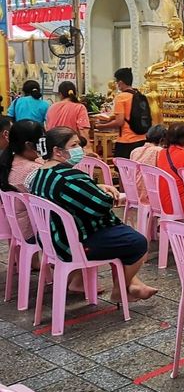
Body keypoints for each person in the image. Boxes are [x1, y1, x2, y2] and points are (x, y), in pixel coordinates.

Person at [28, 127, 157, 301]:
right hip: (73, 242)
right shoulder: (68, 177)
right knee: (137, 242)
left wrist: (97, 188)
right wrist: (108, 196)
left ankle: (131, 284)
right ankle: (121, 289)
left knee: (120, 234)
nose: (78, 149)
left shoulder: (41, 173)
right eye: (73, 145)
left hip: (51, 238)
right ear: (57, 151)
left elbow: (77, 195)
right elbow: (101, 205)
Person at [0, 120, 44, 243]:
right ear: (29, 145)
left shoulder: (9, 160)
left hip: (16, 226)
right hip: (32, 229)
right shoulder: (32, 170)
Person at [97, 68, 146, 159]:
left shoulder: (121, 97)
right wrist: (111, 118)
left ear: (120, 82)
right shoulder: (140, 95)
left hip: (127, 140)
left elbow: (120, 122)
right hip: (142, 138)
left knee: (122, 169)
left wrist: (102, 126)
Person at [131, 125, 167, 204]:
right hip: (152, 194)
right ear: (162, 140)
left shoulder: (135, 151)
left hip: (135, 192)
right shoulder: (160, 151)